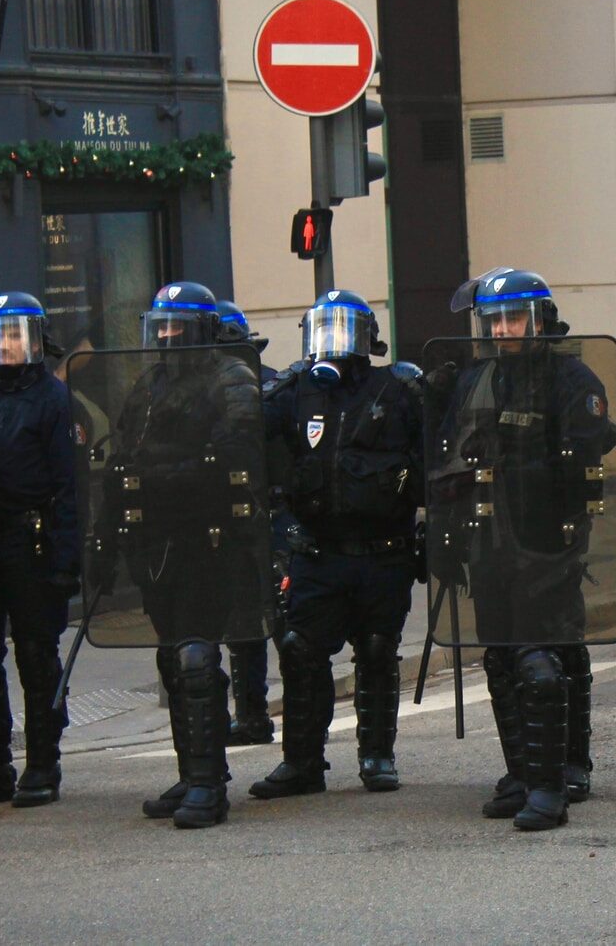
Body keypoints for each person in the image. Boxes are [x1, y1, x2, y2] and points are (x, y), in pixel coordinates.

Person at [434, 268, 616, 831]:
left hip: (544, 539)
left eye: (515, 318)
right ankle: (522, 770)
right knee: (502, 656)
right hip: (489, 540)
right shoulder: (478, 380)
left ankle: (552, 780)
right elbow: (450, 455)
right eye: (496, 320)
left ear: (540, 320)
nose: (505, 329)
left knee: (543, 658)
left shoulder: (570, 379)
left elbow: (582, 458)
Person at [250, 290, 423, 800]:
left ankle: (377, 756)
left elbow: (437, 454)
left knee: (376, 651)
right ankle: (302, 762)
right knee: (300, 650)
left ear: (369, 338)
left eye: (346, 329)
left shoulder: (397, 389)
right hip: (319, 551)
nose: (335, 341)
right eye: (325, 328)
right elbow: (248, 436)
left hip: (384, 550)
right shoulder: (297, 389)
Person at [108, 282, 264, 829]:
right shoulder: (149, 386)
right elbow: (125, 454)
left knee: (198, 656)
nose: (168, 337)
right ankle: (192, 769)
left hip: (211, 539)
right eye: (161, 326)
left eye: (178, 326)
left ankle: (207, 784)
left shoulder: (231, 380)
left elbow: (235, 453)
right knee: (173, 659)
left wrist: (169, 474)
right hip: (158, 540)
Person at [0, 293, 78, 809]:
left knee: (35, 655)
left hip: (33, 539)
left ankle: (43, 764)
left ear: (35, 340)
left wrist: (69, 560)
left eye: (14, 335)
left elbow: (70, 485)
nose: (4, 346)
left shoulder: (53, 397)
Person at [214, 300, 277, 747]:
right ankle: (253, 715)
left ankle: (254, 715)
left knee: (260, 624)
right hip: (243, 520)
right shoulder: (270, 380)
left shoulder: (268, 384)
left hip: (260, 517)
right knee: (248, 624)